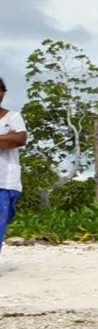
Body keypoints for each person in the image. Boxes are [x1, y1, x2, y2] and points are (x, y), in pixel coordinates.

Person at [0, 75, 26, 251]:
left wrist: (11, 139)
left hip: (5, 181)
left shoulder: (13, 117)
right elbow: (10, 140)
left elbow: (20, 139)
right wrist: (5, 139)